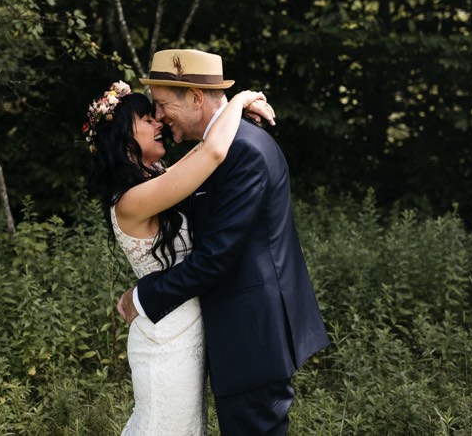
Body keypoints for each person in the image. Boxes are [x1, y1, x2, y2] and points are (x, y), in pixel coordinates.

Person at [114, 48, 331, 435]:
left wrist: (143, 296)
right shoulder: (217, 149)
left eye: (162, 105)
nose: (160, 116)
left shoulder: (240, 150)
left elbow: (216, 257)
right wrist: (241, 103)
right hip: (231, 332)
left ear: (196, 98)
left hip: (252, 333)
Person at [84, 78, 269, 435]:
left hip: (185, 333)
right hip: (164, 341)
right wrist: (241, 98)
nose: (158, 124)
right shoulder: (132, 199)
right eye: (146, 119)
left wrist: (229, 111)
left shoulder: (154, 182)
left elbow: (202, 153)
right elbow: (212, 152)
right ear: (123, 138)